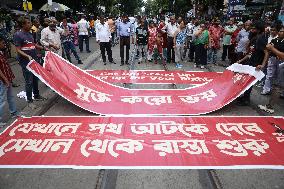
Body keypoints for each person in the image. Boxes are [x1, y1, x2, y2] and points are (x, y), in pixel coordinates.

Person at [14, 16, 47, 110]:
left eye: (30, 22)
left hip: (34, 60)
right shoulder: (18, 35)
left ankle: (36, 95)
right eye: (28, 23)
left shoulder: (30, 33)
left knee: (35, 78)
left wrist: (43, 48)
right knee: (29, 81)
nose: (30, 24)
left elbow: (34, 45)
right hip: (26, 63)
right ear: (23, 24)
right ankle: (30, 101)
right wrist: (27, 56)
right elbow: (18, 50)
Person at [236, 21, 269, 106]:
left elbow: (266, 52)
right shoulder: (255, 38)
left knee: (249, 81)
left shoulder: (261, 39)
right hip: (250, 62)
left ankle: (246, 99)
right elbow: (251, 53)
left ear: (258, 30)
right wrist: (241, 60)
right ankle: (244, 96)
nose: (251, 29)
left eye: (254, 28)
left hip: (256, 64)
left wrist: (262, 65)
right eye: (251, 28)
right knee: (246, 80)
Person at [258, 26, 284, 113]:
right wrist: (263, 65)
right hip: (275, 63)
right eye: (280, 31)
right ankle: (269, 104)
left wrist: (273, 48)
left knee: (278, 87)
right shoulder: (275, 40)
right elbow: (268, 52)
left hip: (282, 65)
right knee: (274, 83)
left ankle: (270, 107)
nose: (280, 32)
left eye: (282, 31)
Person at [0, 36, 18, 127]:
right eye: (2, 43)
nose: (4, 44)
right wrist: (5, 79)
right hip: (2, 81)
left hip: (7, 78)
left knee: (10, 97)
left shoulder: (2, 52)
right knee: (2, 100)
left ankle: (14, 113)